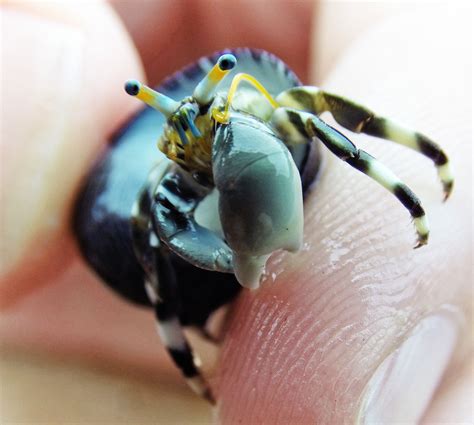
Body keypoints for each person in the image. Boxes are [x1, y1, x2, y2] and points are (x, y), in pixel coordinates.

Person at [1, 1, 471, 423]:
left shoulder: (266, 115)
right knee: (150, 234)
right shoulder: (162, 188)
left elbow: (332, 116)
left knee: (307, 112)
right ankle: (187, 355)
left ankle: (412, 180)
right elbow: (157, 239)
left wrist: (413, 183)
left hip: (273, 163)